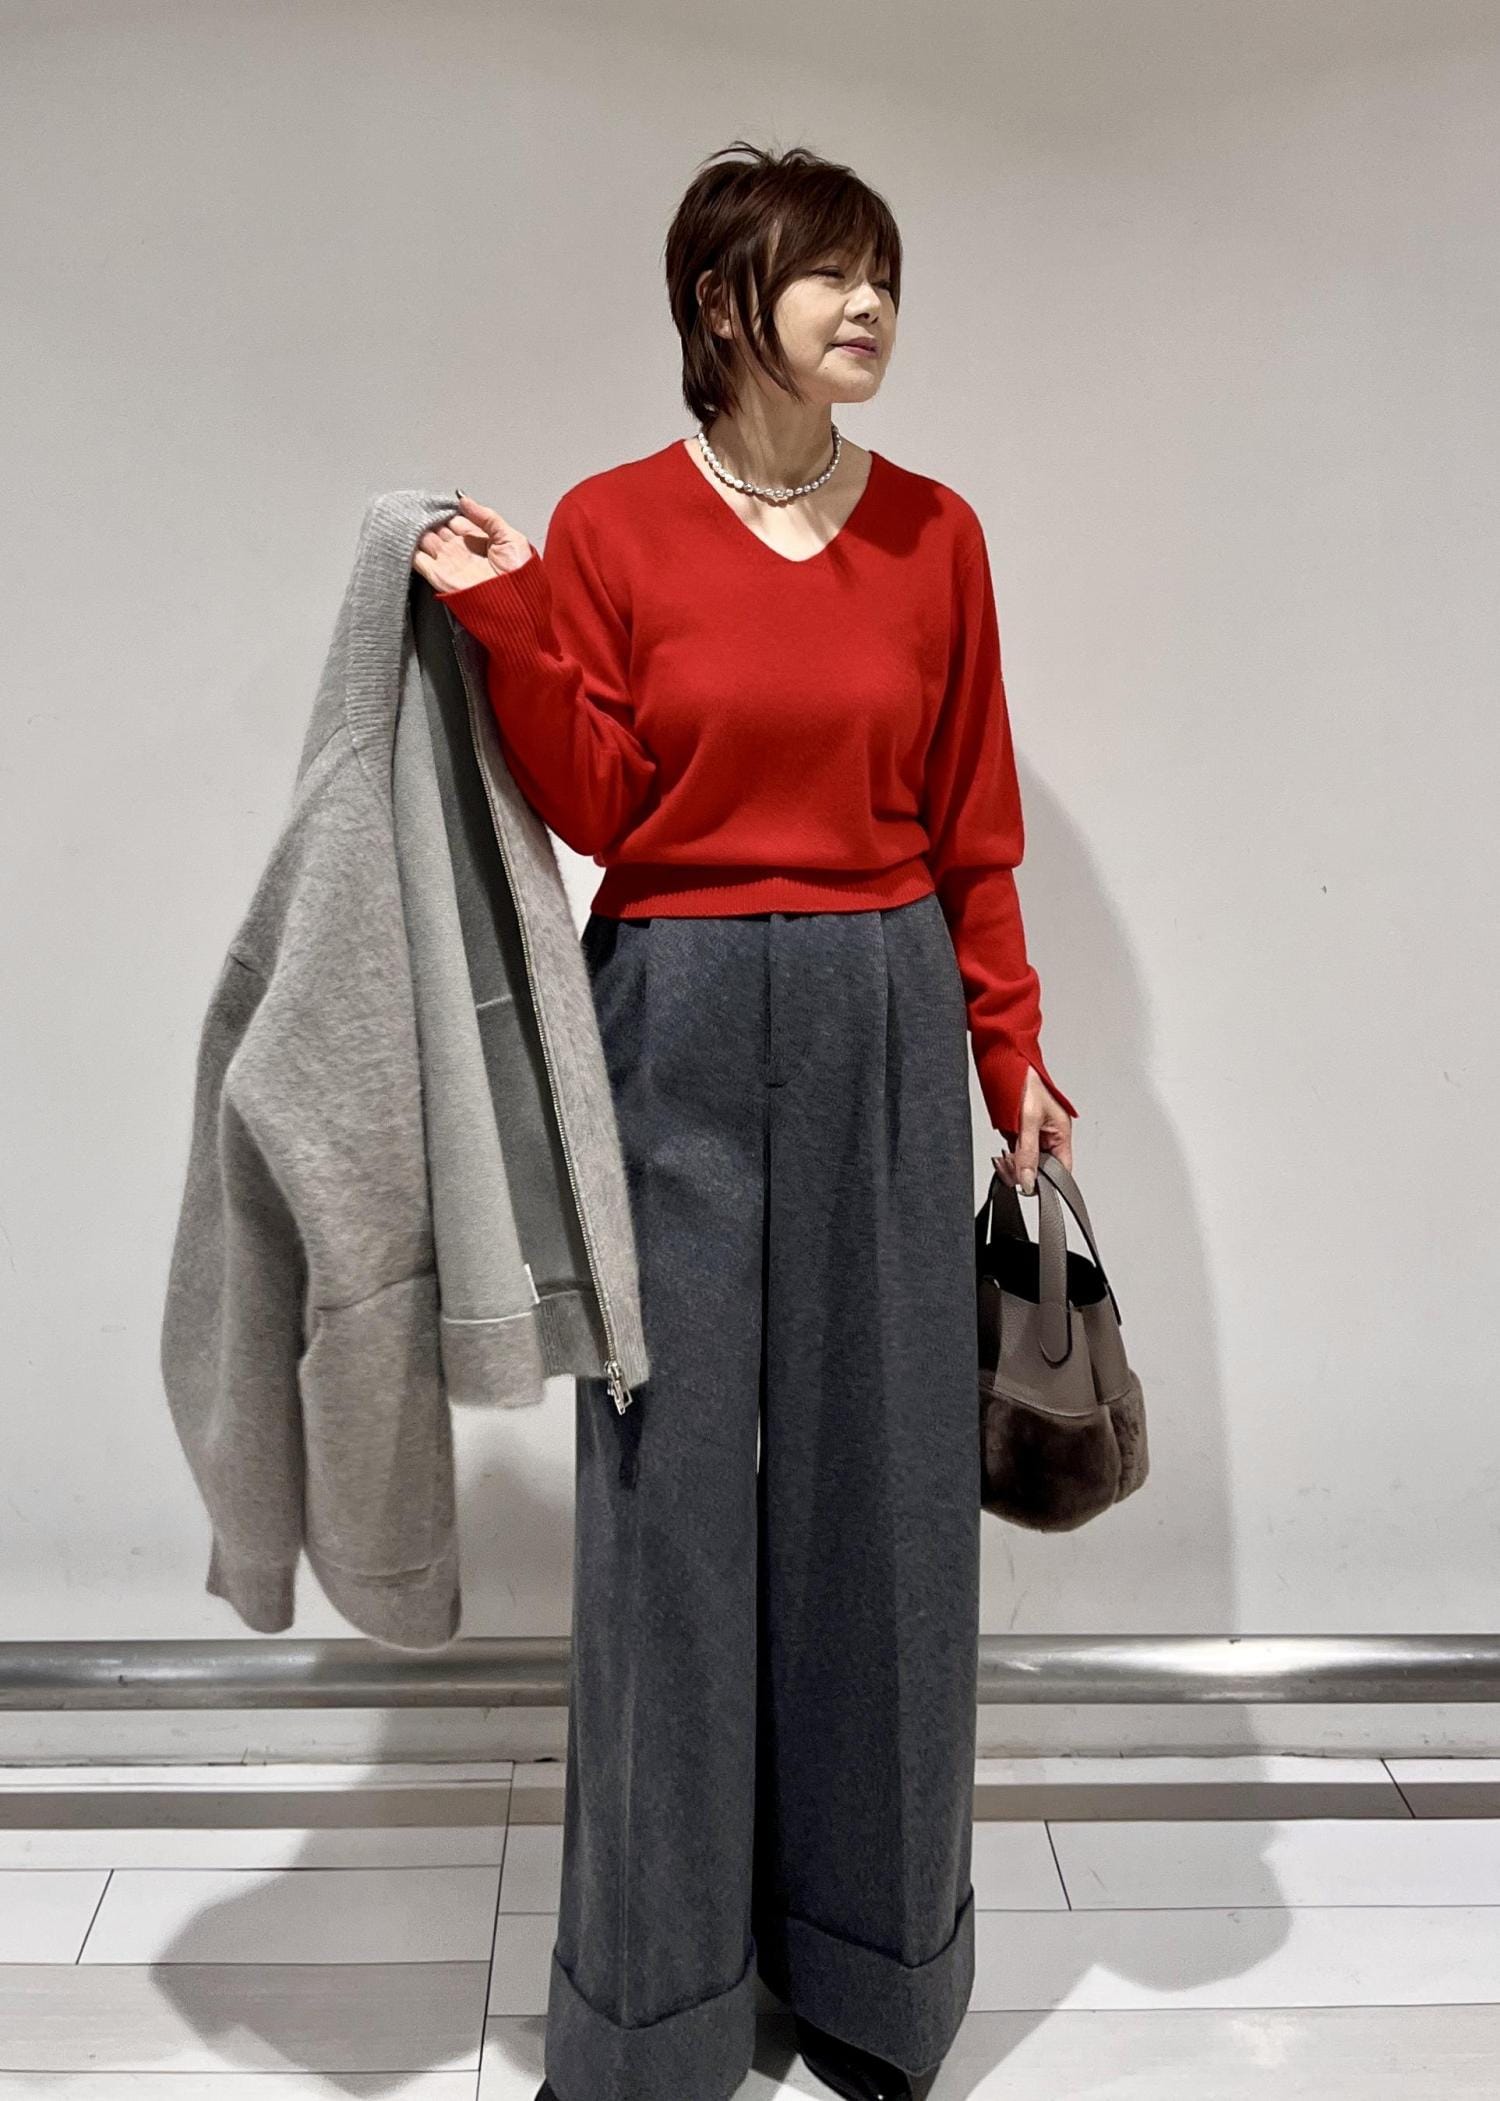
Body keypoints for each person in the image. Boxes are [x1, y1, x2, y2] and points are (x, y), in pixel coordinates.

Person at [412, 137, 1077, 2101]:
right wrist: (512, 617)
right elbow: (604, 804)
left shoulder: (937, 535)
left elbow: (973, 821)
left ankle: (876, 1980)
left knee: (887, 1496)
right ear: (723, 303)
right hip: (672, 1010)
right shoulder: (613, 526)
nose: (869, 306)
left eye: (884, 276)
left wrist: (1011, 1049)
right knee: (666, 1500)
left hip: (881, 1005)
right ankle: (653, 2011)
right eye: (827, 274)